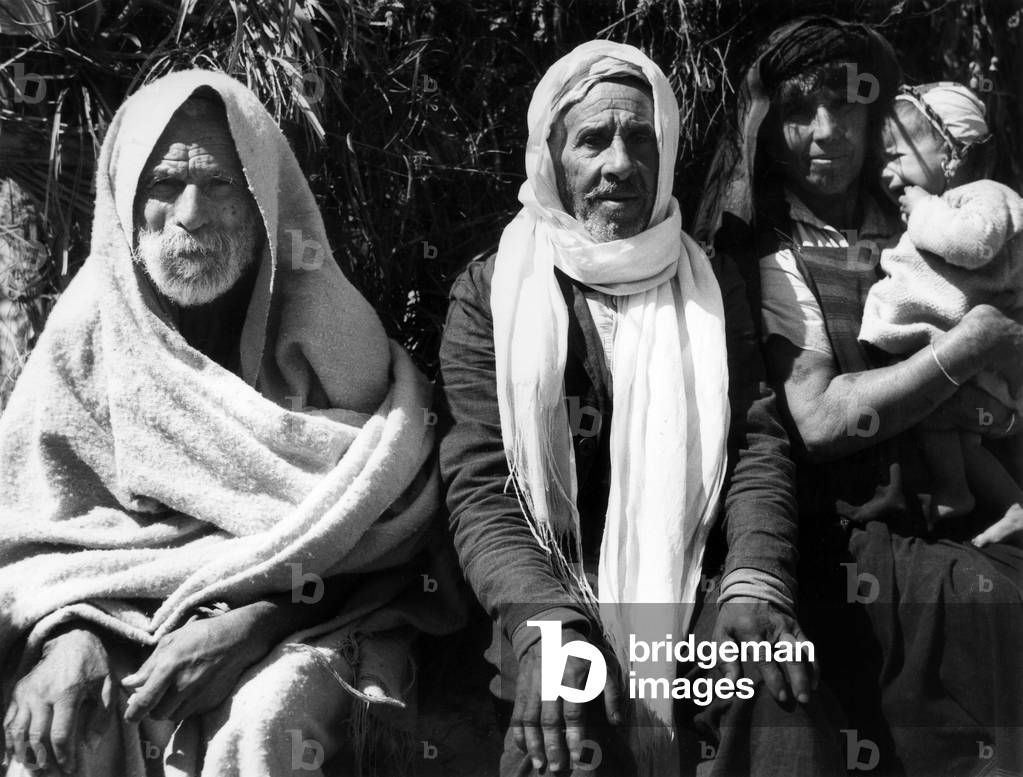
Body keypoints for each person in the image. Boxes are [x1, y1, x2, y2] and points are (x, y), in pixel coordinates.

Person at [0, 70, 463, 777]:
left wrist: (255, 622)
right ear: (127, 197)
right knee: (62, 725)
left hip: (307, 619)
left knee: (269, 714)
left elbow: (387, 535)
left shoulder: (330, 329)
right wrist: (72, 631)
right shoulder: (87, 329)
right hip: (118, 618)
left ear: (262, 196)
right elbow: (39, 539)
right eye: (164, 184)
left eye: (220, 183)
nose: (190, 212)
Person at [438, 40, 841, 777]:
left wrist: (754, 578)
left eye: (639, 139)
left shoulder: (710, 280)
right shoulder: (492, 293)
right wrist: (540, 621)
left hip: (699, 588)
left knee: (781, 693)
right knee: (557, 738)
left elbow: (756, 445)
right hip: (559, 591)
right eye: (592, 139)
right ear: (551, 156)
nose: (618, 164)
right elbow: (481, 479)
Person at [694, 16, 1023, 776]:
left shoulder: (930, 215)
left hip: (963, 508)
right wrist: (967, 346)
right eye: (799, 112)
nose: (825, 132)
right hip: (849, 536)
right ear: (765, 127)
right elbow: (819, 417)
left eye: (846, 108)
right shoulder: (767, 254)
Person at [859, 82, 1023, 532]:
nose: (886, 173)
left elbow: (971, 244)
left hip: (984, 360)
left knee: (943, 418)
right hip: (965, 358)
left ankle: (983, 498)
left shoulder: (986, 195)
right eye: (881, 161)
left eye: (896, 156)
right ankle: (988, 500)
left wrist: (925, 209)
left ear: (951, 154)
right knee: (954, 434)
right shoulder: (937, 206)